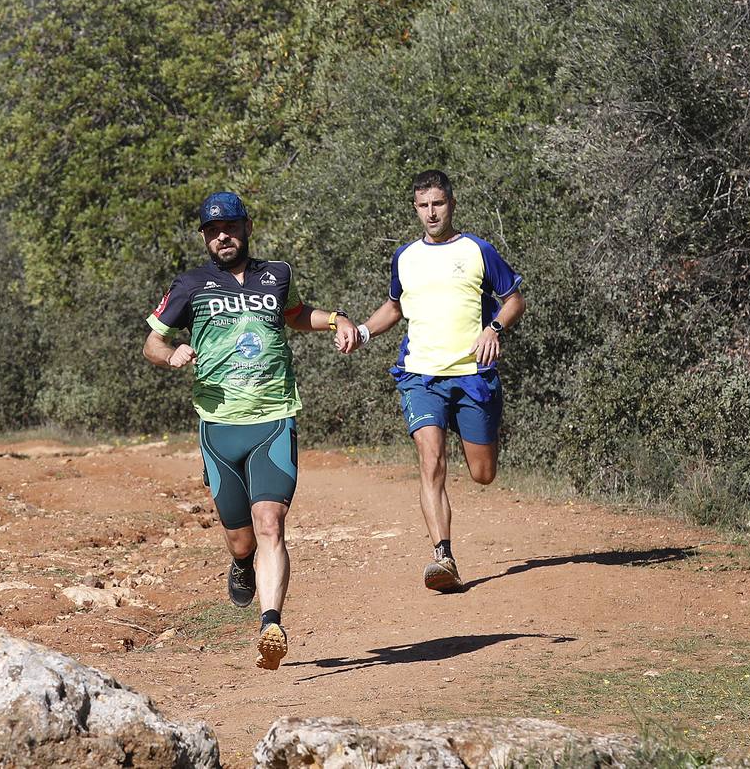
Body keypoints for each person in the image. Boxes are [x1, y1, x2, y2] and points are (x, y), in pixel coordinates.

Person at [144, 191, 357, 670]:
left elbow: (294, 315)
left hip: (274, 417)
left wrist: (336, 320)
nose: (223, 236)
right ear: (204, 237)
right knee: (242, 541)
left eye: (232, 227)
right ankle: (242, 565)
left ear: (247, 228)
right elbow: (152, 343)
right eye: (213, 230)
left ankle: (271, 625)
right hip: (219, 427)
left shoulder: (276, 274)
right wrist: (172, 353)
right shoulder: (190, 285)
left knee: (270, 524)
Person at [341, 170, 526, 593]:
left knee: (482, 474)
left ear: (451, 204)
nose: (431, 213)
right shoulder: (405, 257)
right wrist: (364, 332)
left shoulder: (478, 250)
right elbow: (394, 308)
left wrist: (494, 328)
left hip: (473, 376)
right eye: (423, 206)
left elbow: (513, 299)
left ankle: (476, 436)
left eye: (437, 204)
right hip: (420, 375)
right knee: (431, 460)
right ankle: (443, 556)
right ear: (415, 209)